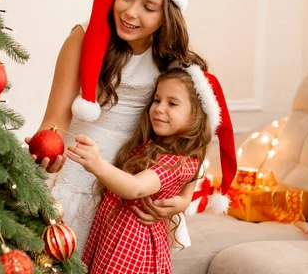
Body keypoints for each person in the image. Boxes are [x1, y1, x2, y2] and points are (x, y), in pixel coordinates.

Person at [28, 0, 237, 251]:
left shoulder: (172, 61)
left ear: (167, 16)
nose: (130, 12)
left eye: (148, 7)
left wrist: (184, 196)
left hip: (132, 186)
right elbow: (55, 119)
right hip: (77, 167)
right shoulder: (83, 40)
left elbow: (193, 138)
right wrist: (48, 153)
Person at [67, 67, 219, 273]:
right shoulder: (152, 143)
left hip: (132, 244)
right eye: (157, 100)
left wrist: (97, 164)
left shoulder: (178, 162)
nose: (159, 108)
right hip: (114, 233)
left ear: (195, 117)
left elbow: (136, 188)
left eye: (172, 103)